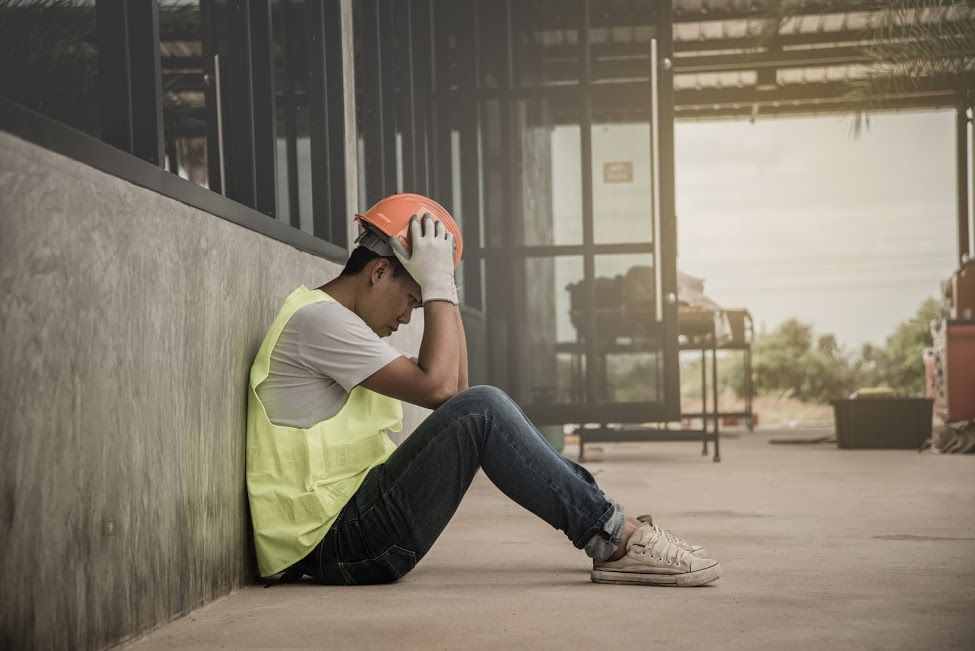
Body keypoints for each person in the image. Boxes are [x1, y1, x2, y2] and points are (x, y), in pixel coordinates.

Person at [246, 193, 721, 588]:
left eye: (419, 302)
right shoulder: (321, 322)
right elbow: (450, 393)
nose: (409, 316)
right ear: (378, 272)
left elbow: (457, 393)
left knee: (482, 407)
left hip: (349, 529)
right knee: (485, 407)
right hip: (337, 540)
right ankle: (616, 538)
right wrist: (441, 290)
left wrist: (439, 286)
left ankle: (619, 530)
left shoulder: (339, 328)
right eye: (413, 299)